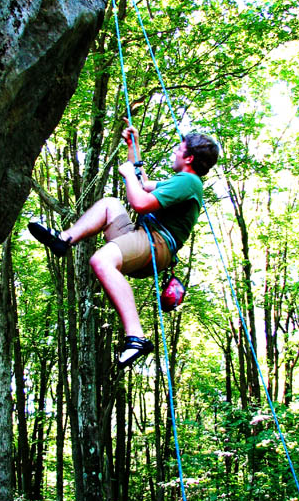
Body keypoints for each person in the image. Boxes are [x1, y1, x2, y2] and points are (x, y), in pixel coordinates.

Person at [28, 119, 219, 368]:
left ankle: (136, 337)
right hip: (144, 237)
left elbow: (140, 202)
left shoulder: (189, 181)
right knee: (110, 204)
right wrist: (134, 146)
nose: (174, 151)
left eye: (179, 148)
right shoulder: (180, 182)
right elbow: (141, 185)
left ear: (190, 158)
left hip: (156, 244)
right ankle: (63, 239)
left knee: (101, 260)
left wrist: (128, 173)